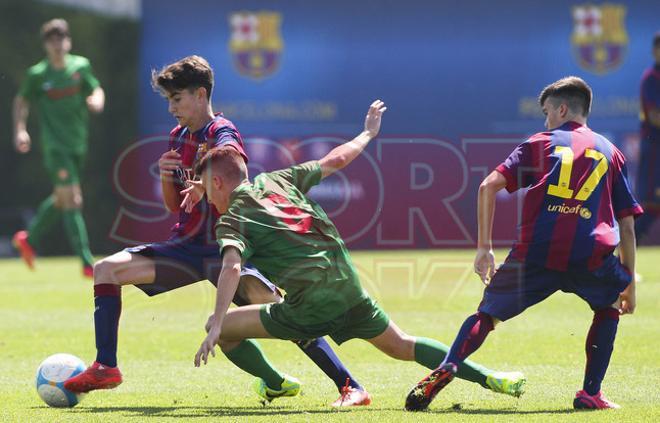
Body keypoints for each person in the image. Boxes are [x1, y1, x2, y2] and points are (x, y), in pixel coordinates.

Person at [63, 55, 372, 407]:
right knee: (106, 270)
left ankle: (349, 385)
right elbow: (173, 206)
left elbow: (236, 163)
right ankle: (107, 367)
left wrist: (205, 180)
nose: (171, 108)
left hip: (228, 245)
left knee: (287, 314)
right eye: (168, 101)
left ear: (200, 94)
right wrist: (167, 175)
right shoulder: (178, 137)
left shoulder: (221, 131)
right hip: (187, 246)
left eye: (176, 99)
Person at [190, 100, 527, 407]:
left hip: (312, 303)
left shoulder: (232, 219)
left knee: (223, 330)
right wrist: (367, 133)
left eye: (206, 189)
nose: (207, 199)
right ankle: (492, 378)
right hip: (347, 283)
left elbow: (232, 267)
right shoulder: (277, 180)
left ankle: (279, 383)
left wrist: (218, 323)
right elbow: (335, 160)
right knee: (403, 345)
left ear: (218, 183)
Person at [405, 77, 643, 411]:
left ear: (561, 109)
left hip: (537, 251)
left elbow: (487, 186)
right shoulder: (611, 152)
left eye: (547, 112)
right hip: (591, 255)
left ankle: (451, 364)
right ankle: (590, 393)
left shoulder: (539, 143)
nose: (545, 120)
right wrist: (629, 283)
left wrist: (484, 248)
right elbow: (628, 225)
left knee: (487, 315)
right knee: (607, 309)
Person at [12, 18, 104, 277]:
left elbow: (96, 89)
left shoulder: (80, 66)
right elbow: (21, 101)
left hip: (78, 144)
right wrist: (20, 129)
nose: (57, 44)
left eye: (61, 38)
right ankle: (87, 262)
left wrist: (96, 100)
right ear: (45, 45)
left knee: (63, 199)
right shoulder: (38, 75)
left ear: (68, 41)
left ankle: (29, 239)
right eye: (52, 40)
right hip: (55, 147)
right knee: (74, 199)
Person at [635, 32, 660, 242]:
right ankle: (622, 260)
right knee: (649, 206)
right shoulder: (651, 78)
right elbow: (655, 117)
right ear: (654, 51)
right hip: (654, 149)